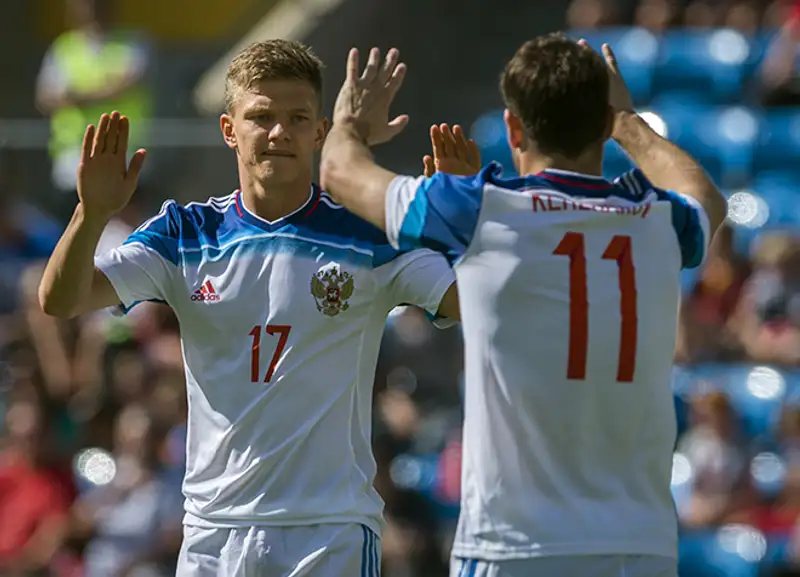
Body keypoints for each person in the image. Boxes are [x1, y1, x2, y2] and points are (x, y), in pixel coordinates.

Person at [38, 39, 463, 576]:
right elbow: (62, 299)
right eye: (261, 116)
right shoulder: (185, 234)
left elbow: (466, 303)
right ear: (229, 129)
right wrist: (92, 213)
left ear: (320, 131)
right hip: (214, 533)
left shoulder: (370, 236)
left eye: (297, 118)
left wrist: (460, 227)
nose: (279, 131)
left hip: (329, 531)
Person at [319, 34, 727, 577]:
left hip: (515, 547)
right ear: (601, 124)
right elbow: (706, 197)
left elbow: (339, 173)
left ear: (513, 128)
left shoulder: (480, 211)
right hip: (638, 549)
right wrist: (627, 122)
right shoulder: (659, 220)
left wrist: (349, 123)